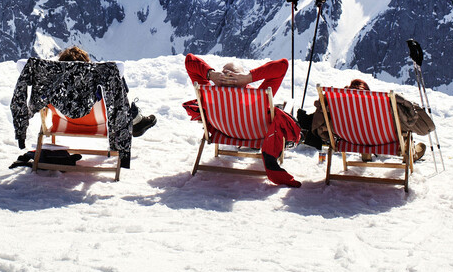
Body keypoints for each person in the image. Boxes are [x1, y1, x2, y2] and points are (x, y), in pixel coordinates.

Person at [183, 54, 302, 188]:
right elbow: (282, 64)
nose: (229, 76)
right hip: (257, 134)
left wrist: (211, 75)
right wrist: (248, 77)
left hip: (223, 131)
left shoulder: (207, 94)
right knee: (282, 108)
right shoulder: (258, 98)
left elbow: (189, 61)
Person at [311, 78, 431, 163]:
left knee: (360, 127)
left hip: (351, 140)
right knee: (401, 131)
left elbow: (323, 129)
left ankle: (365, 153)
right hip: (384, 140)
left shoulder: (336, 106)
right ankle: (411, 154)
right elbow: (424, 127)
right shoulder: (381, 107)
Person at [56, 46, 156, 137]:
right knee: (115, 78)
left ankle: (134, 119)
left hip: (66, 122)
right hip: (102, 122)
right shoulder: (95, 84)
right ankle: (134, 119)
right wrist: (95, 69)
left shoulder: (54, 86)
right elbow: (120, 65)